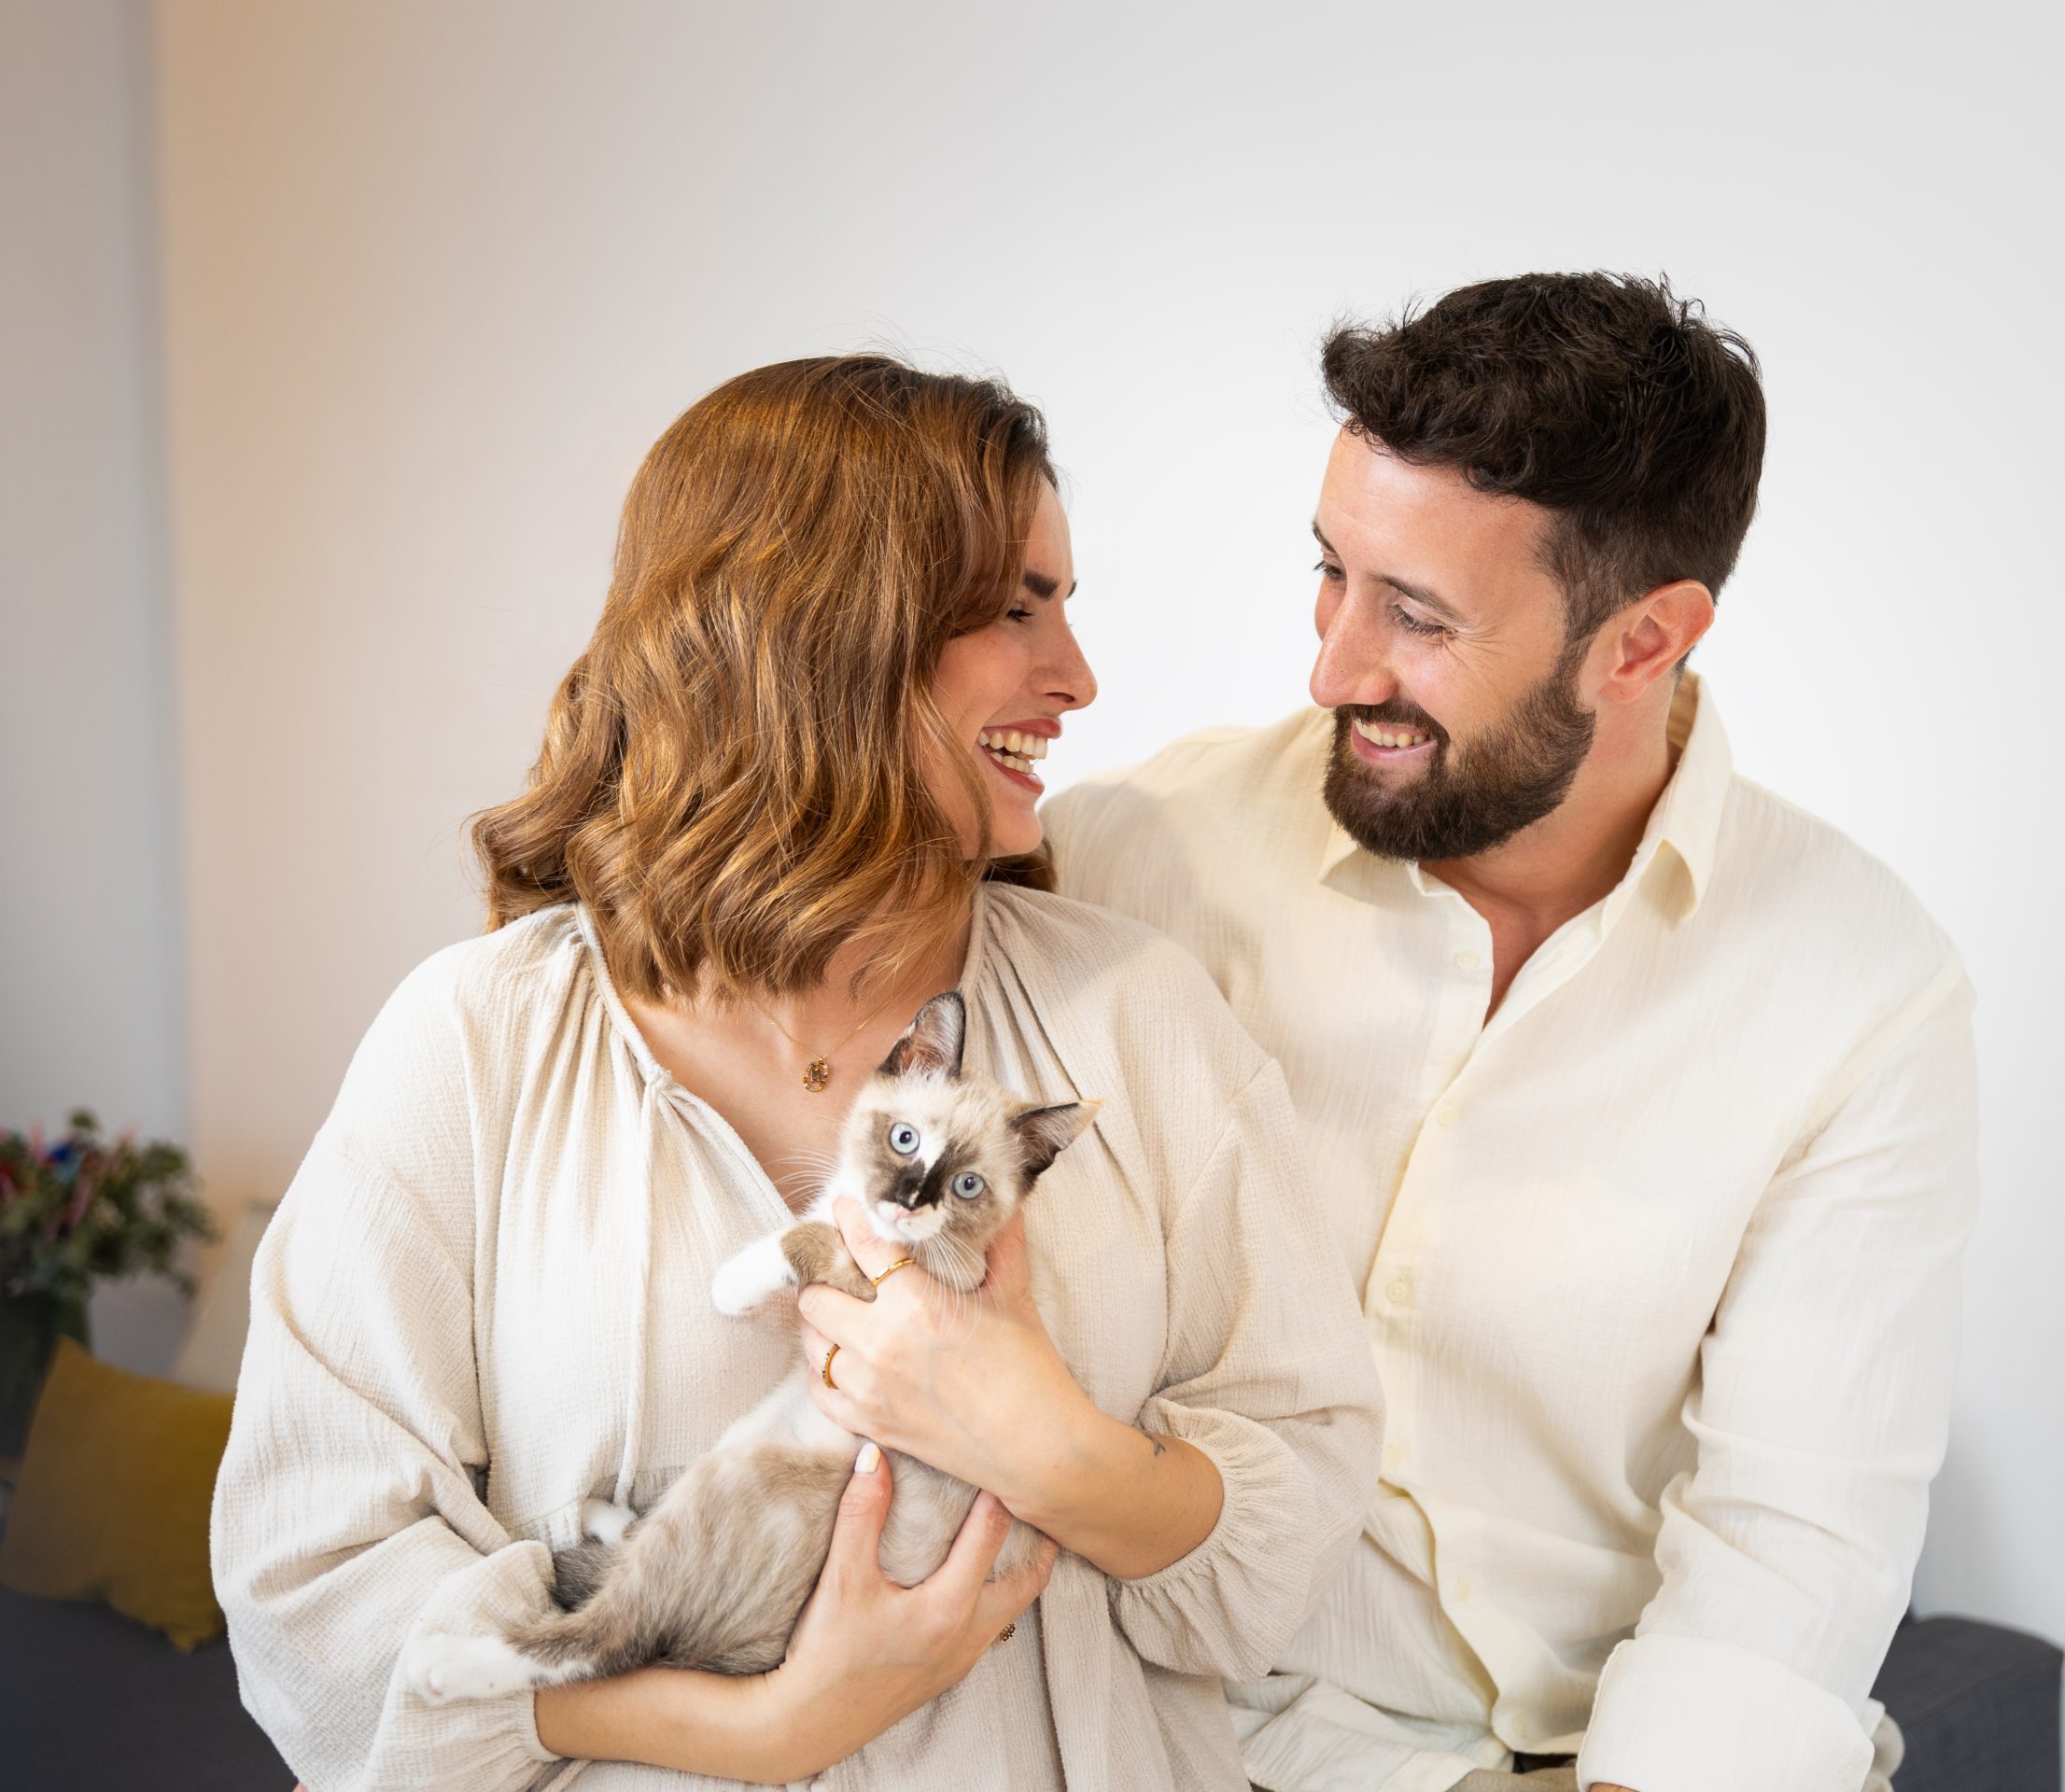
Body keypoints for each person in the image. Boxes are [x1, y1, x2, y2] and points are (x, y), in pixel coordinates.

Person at [210, 356, 1382, 1790]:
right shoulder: (475, 1044)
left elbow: (1298, 1498)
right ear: (819, 631)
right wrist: (768, 1727)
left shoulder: (1136, 1015)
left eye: (1066, 607)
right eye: (1018, 609)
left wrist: (1051, 1447)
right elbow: (311, 1579)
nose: (1078, 677)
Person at [1043, 273, 1976, 1792]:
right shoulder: (1129, 858)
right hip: (1160, 1732)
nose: (1334, 668)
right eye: (1333, 573)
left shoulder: (1859, 987)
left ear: (1644, 641)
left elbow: (1793, 1538)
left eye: (1417, 615)